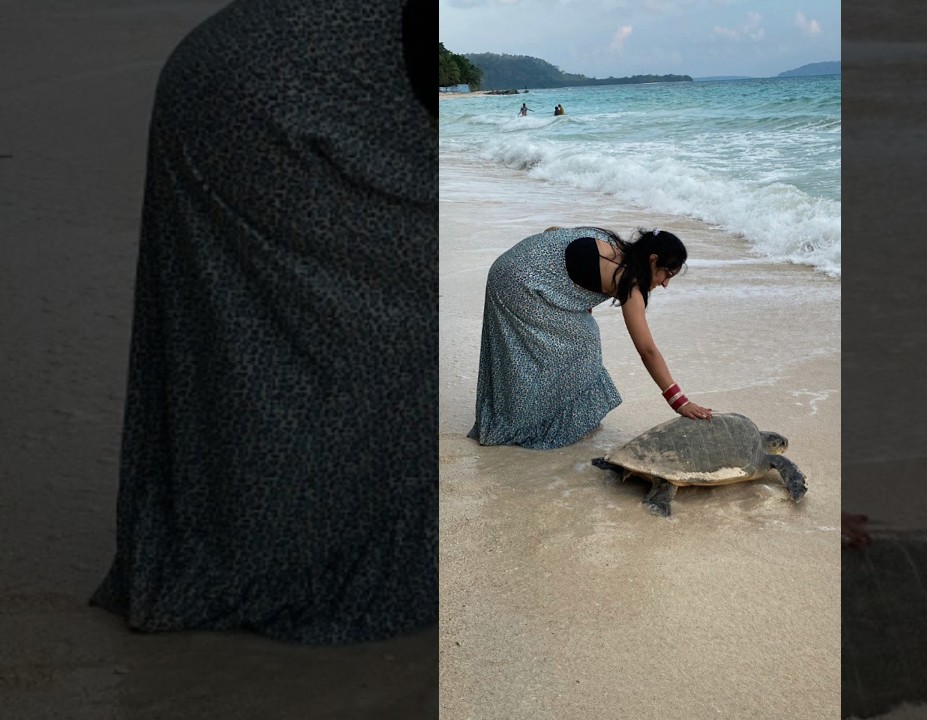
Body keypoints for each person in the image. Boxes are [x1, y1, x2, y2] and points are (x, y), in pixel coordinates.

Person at [89, 0, 438, 645]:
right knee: (369, 329)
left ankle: (258, 539)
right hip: (270, 104)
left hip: (262, 77)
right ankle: (288, 556)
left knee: (281, 337)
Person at [468, 226, 713, 449]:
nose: (666, 284)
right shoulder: (628, 283)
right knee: (584, 341)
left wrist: (572, 296)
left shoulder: (611, 243)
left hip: (510, 265)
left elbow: (553, 232)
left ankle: (549, 411)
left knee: (577, 334)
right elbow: (647, 350)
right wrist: (679, 402)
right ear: (652, 260)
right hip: (518, 285)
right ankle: (535, 420)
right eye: (666, 274)